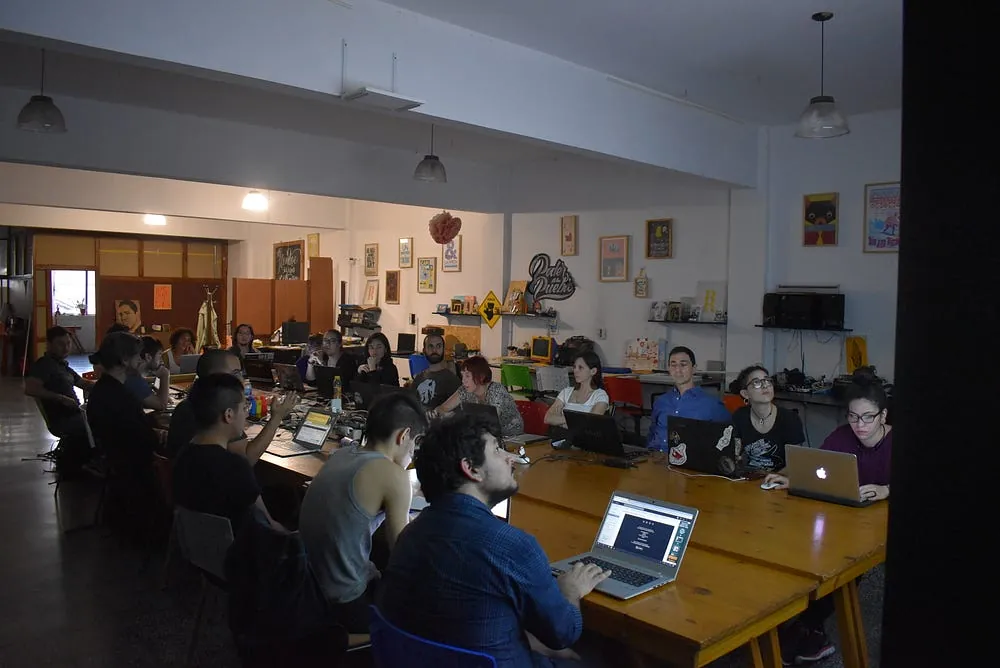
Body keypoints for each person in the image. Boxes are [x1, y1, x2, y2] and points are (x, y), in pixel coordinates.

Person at [378, 413, 610, 667]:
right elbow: (563, 633)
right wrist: (570, 590)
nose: (510, 458)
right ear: (471, 469)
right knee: (598, 656)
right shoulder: (512, 546)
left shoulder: (410, 534)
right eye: (497, 450)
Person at [763, 372, 893, 665]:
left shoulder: (897, 441)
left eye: (868, 418)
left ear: (883, 415)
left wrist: (887, 489)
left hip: (876, 527)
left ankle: (806, 625)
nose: (859, 425)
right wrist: (789, 477)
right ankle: (805, 625)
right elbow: (816, 467)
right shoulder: (841, 436)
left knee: (845, 563)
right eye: (853, 416)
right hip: (842, 519)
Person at [299, 392, 428, 633]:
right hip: (345, 602)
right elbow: (403, 553)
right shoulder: (393, 475)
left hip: (305, 585)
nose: (412, 455)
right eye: (415, 444)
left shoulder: (343, 454)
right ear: (404, 436)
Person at [172, 373, 282, 532]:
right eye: (244, 408)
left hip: (196, 548)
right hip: (238, 552)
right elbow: (269, 525)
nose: (246, 414)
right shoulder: (235, 467)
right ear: (229, 415)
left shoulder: (183, 455)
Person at [86, 332, 165, 539]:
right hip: (134, 468)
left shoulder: (106, 389)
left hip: (119, 463)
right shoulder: (119, 397)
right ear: (124, 360)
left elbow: (130, 429)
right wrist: (157, 435)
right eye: (138, 356)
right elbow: (142, 441)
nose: (141, 360)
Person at [166, 349, 298, 461]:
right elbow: (247, 459)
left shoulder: (187, 405)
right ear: (216, 376)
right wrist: (277, 417)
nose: (241, 379)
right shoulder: (218, 411)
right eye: (235, 373)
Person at [648, 346, 730, 451]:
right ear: (668, 369)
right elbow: (652, 432)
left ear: (694, 368)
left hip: (687, 462)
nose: (678, 370)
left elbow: (728, 437)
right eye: (673, 365)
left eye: (683, 364)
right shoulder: (661, 402)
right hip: (655, 458)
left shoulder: (711, 405)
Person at [729, 365, 804, 472]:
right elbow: (734, 452)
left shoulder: (789, 419)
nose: (765, 385)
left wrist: (778, 477)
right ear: (745, 394)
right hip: (750, 478)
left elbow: (798, 462)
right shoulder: (740, 416)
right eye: (757, 382)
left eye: (767, 380)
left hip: (781, 480)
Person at [25, 326, 94, 438]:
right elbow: (30, 389)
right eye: (60, 344)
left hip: (76, 414)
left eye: (68, 343)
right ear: (49, 344)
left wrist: (110, 385)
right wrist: (60, 398)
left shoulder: (62, 366)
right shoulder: (43, 365)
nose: (66, 348)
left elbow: (83, 383)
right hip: (63, 420)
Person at [433, 356, 524, 437]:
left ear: (481, 376)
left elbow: (489, 424)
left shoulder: (496, 391)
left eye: (467, 376)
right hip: (486, 437)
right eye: (462, 376)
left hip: (512, 438)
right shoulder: (465, 390)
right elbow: (444, 408)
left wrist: (454, 420)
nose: (463, 381)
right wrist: (435, 414)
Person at [543, 351, 609, 428]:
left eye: (580, 367)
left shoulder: (600, 395)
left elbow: (590, 424)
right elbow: (548, 418)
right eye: (574, 367)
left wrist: (560, 419)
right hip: (561, 436)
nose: (575, 371)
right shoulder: (566, 392)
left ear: (593, 371)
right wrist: (579, 420)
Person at [408, 333, 460, 409]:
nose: (434, 350)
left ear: (443, 350)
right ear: (424, 350)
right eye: (430, 346)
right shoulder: (418, 378)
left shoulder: (451, 380)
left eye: (438, 346)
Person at [125, 336, 172, 411]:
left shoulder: (132, 375)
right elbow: (162, 405)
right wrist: (165, 375)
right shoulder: (134, 380)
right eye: (159, 355)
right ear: (148, 357)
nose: (162, 361)